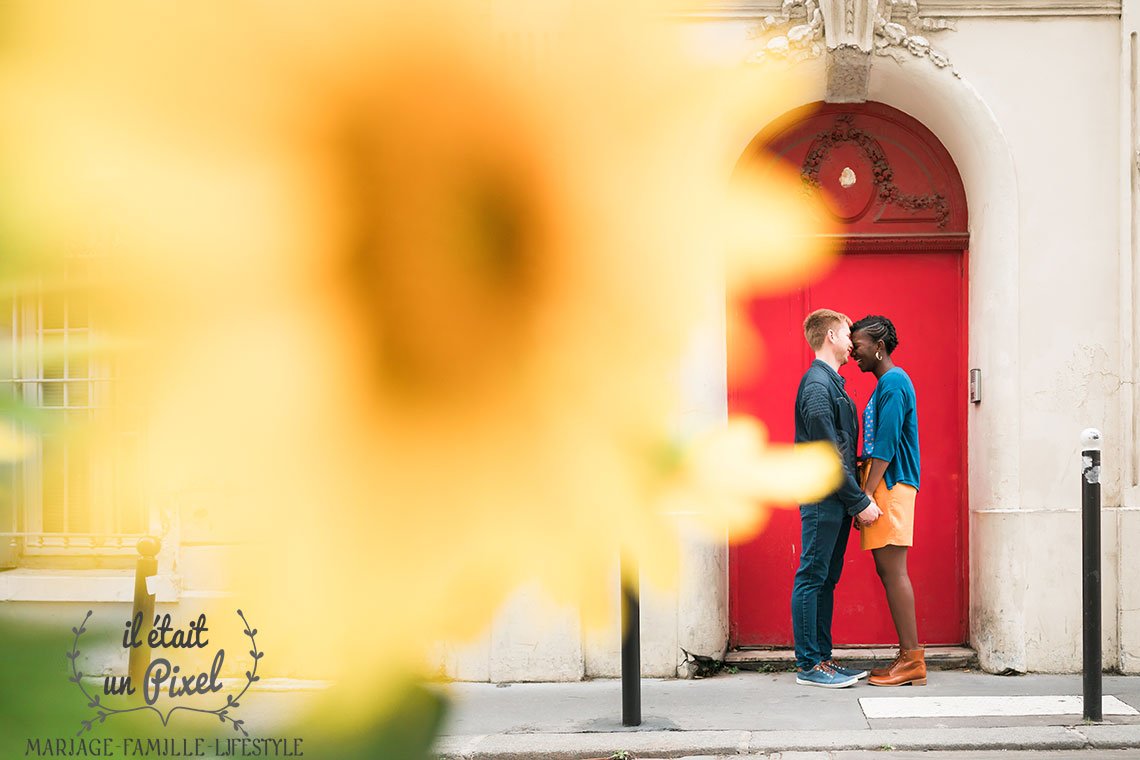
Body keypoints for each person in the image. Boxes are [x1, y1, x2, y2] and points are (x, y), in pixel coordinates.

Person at [792, 308, 882, 688]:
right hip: (821, 498)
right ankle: (809, 665)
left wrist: (851, 500)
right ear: (830, 336)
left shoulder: (832, 384)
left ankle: (823, 659)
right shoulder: (817, 385)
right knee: (813, 576)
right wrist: (859, 501)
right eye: (847, 335)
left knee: (825, 578)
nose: (851, 344)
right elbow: (829, 455)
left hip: (834, 499)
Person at [850, 315, 925, 687]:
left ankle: (912, 660)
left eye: (859, 346)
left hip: (890, 485)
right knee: (888, 571)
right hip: (885, 484)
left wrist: (865, 494)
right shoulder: (887, 382)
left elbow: (887, 441)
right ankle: (907, 655)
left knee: (894, 572)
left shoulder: (894, 381)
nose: (854, 353)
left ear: (878, 346)